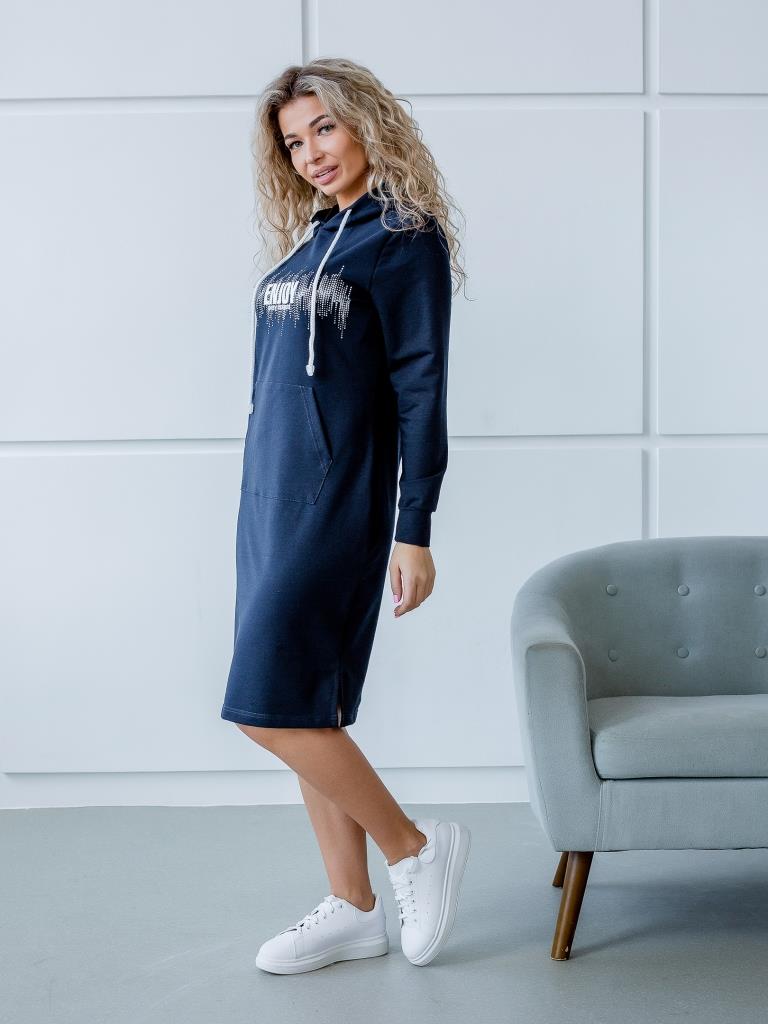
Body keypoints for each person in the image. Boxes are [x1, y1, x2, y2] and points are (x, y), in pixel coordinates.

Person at [220, 57, 471, 973]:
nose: (312, 153)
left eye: (323, 127)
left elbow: (421, 388)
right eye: (294, 143)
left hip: (340, 497)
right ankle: (353, 906)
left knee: (264, 707)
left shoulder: (404, 239)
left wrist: (414, 526)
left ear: (366, 122)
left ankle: (414, 848)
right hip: (267, 499)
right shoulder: (309, 241)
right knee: (300, 700)